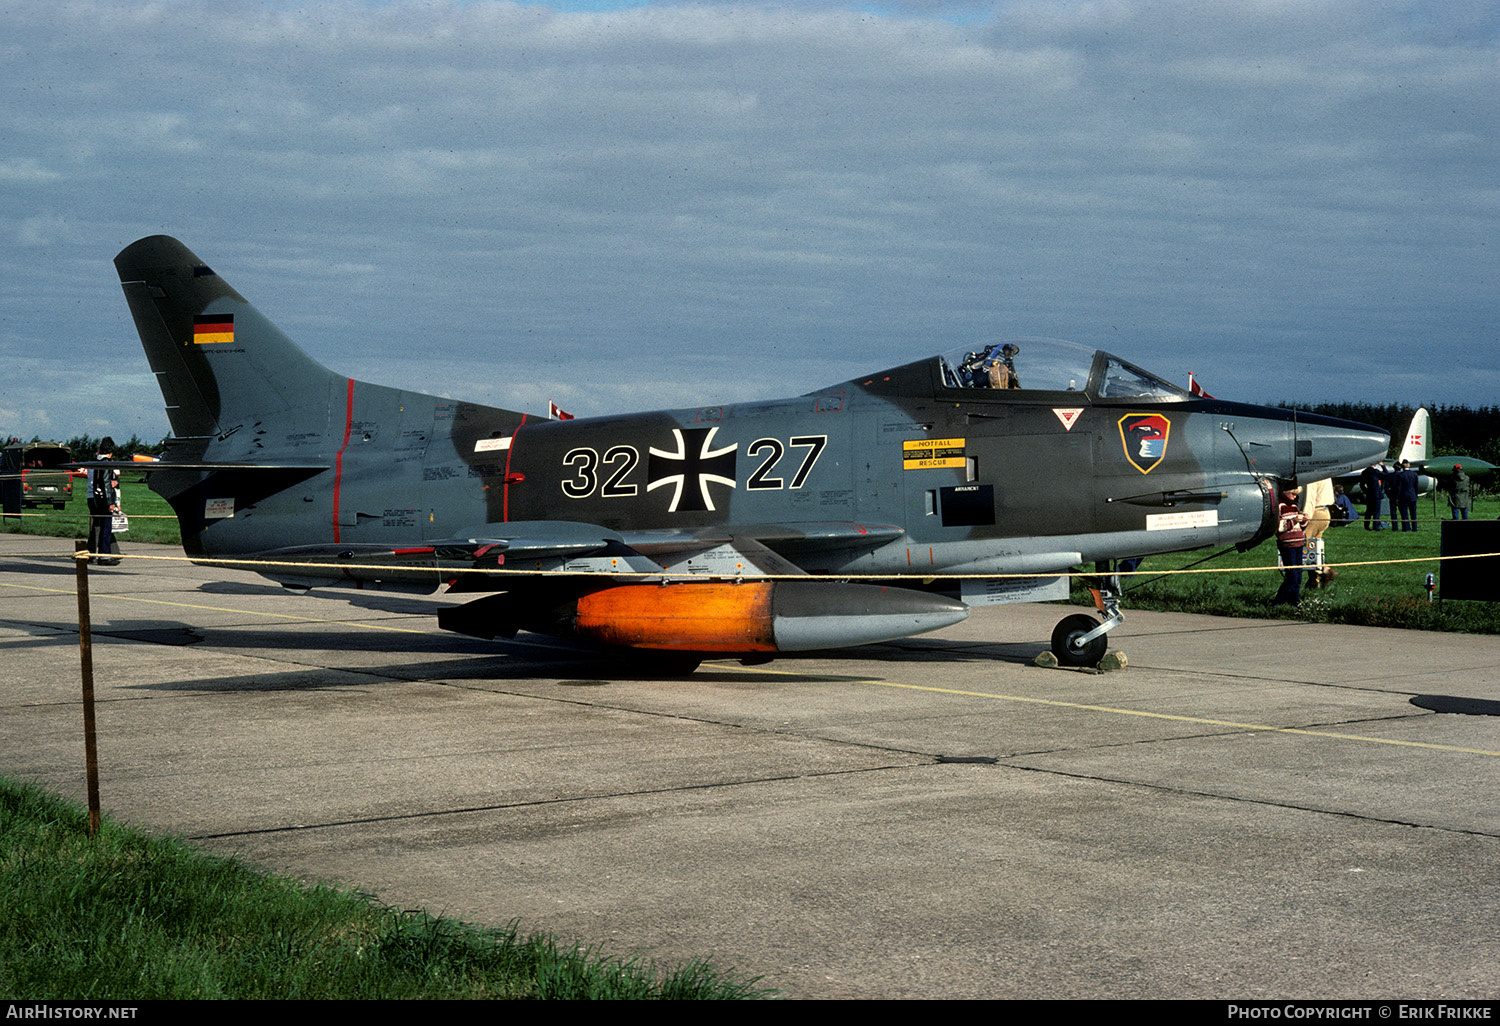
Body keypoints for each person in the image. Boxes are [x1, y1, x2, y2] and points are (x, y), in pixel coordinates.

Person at [86, 437, 120, 566]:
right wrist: (110, 501)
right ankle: (104, 555)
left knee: (96, 526)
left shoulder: (93, 462)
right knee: (106, 527)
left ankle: (94, 553)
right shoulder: (106, 462)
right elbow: (106, 483)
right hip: (103, 499)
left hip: (92, 497)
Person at [1273, 487, 1307, 607]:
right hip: (1288, 544)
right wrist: (1294, 521)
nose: (1295, 497)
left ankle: (1293, 602)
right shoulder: (1280, 505)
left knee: (1298, 575)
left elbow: (1301, 527)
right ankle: (1279, 602)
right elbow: (1277, 527)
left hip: (1298, 543)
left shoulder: (1294, 506)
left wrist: (1304, 521)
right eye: (1293, 494)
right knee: (1291, 575)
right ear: (1285, 492)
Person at [1393, 459, 1420, 532]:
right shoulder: (1414, 474)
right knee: (1413, 514)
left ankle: (1406, 528)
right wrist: (1416, 495)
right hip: (1412, 496)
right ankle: (1414, 528)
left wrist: (1397, 498)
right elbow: (1416, 487)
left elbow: (1399, 488)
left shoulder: (1400, 475)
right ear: (1409, 465)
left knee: (1404, 513)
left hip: (1403, 496)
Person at [1359, 463, 1386, 530]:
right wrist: (1383, 466)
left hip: (1369, 494)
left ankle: (1366, 526)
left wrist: (1366, 491)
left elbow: (1361, 484)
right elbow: (1386, 474)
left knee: (1368, 511)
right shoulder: (1375, 471)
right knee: (1376, 512)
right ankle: (1375, 527)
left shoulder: (1364, 472)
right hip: (1376, 494)